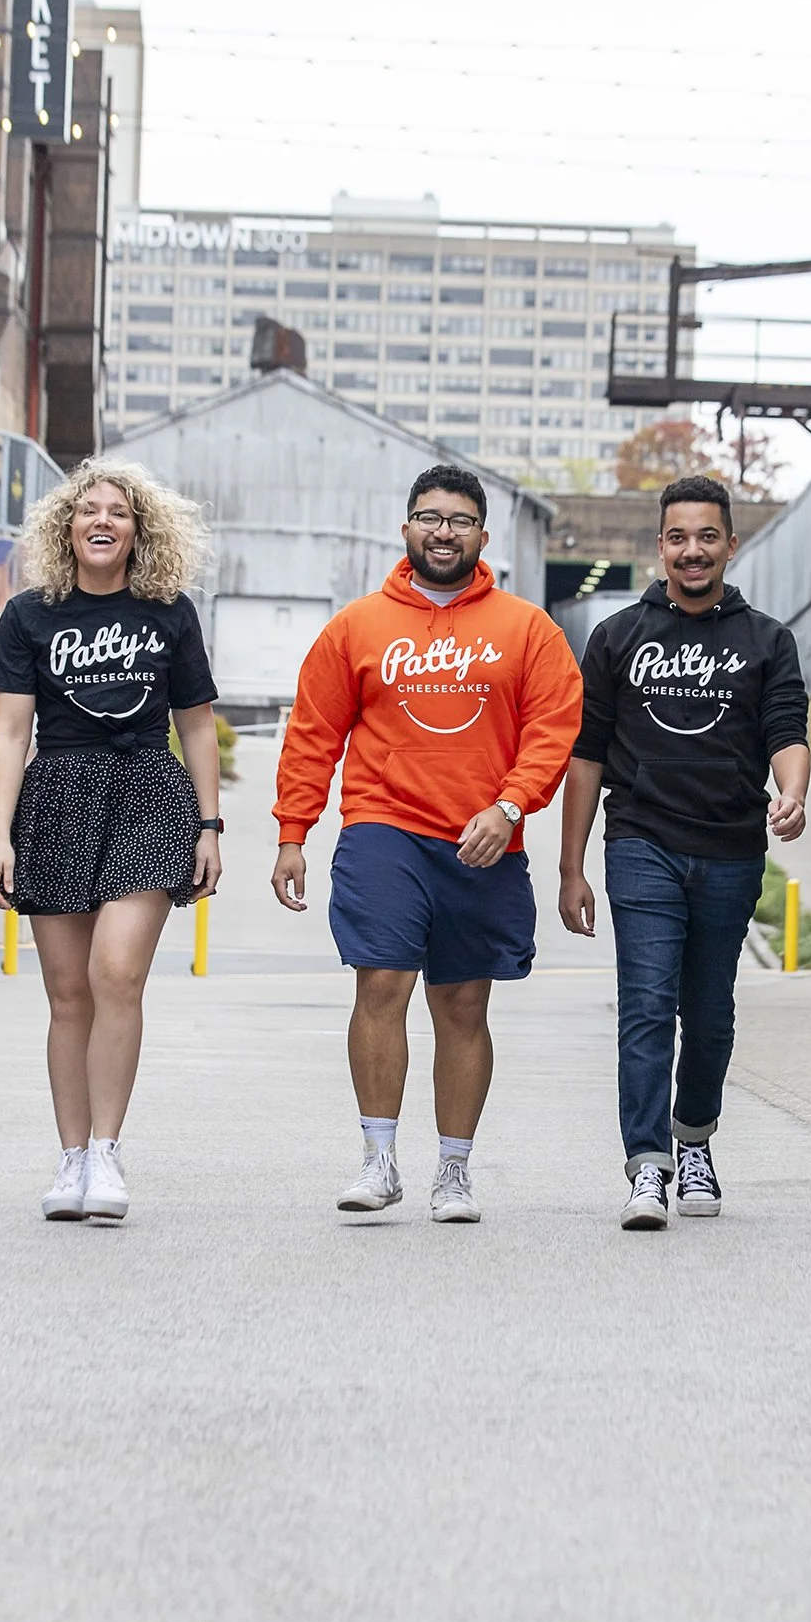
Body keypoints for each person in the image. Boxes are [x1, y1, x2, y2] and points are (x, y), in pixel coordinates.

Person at [270, 463, 582, 1223]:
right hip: (384, 827)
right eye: (429, 517)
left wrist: (509, 808)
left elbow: (554, 727)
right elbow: (313, 732)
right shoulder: (357, 625)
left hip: (484, 837)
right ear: (406, 527)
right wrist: (293, 832)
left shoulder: (526, 628)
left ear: (482, 534)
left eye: (460, 520)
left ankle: (454, 1169)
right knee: (381, 983)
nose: (444, 531)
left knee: (464, 1003)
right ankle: (378, 1159)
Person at [557, 474, 810, 1230]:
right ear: (659, 546)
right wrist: (571, 867)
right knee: (646, 1003)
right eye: (677, 537)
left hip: (732, 847)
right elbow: (586, 756)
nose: (692, 551)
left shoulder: (767, 638)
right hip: (641, 840)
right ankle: (646, 1164)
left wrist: (792, 791)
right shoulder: (617, 637)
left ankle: (693, 1139)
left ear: (730, 545)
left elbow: (787, 730)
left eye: (707, 537)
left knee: (708, 1014)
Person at [0, 459, 221, 1224]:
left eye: (118, 511)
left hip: (149, 789)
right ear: (67, 527)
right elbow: (10, 731)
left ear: (137, 531)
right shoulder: (29, 615)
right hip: (56, 794)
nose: (102, 520)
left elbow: (196, 726)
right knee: (67, 992)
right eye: (89, 510)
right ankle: (72, 1155)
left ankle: (109, 1153)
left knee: (116, 971)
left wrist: (210, 824)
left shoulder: (169, 612)